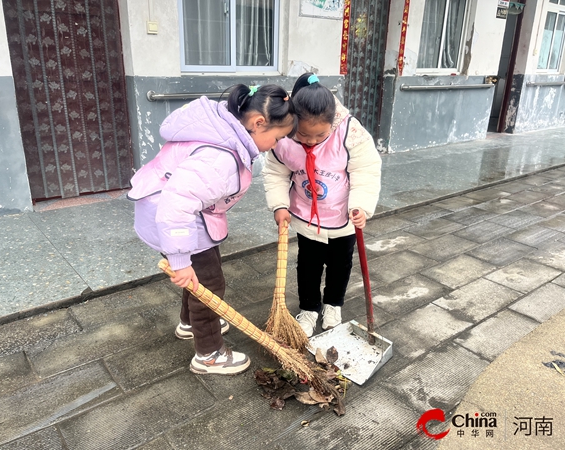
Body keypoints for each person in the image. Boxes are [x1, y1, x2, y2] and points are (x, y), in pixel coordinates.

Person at [128, 84, 295, 375]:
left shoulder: (223, 131)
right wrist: (179, 260)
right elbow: (176, 205)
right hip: (174, 220)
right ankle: (209, 354)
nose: (276, 144)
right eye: (277, 137)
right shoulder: (219, 157)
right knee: (208, 285)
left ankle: (190, 323)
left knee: (200, 276)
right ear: (258, 123)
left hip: (179, 214)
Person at [262, 73, 381, 337]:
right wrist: (279, 205)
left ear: (333, 123)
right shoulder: (283, 137)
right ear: (293, 124)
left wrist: (361, 205)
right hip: (306, 217)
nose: (311, 141)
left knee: (340, 266)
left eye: (320, 135)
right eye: (303, 134)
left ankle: (333, 304)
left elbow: (366, 171)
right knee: (308, 265)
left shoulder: (351, 132)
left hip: (343, 216)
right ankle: (309, 309)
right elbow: (275, 172)